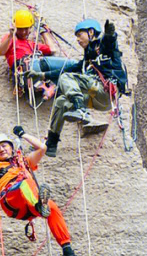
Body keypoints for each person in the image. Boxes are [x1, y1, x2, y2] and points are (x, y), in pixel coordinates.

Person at [0, 130, 85, 256]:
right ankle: (39, 206)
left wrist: (23, 134)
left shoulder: (24, 161)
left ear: (11, 147)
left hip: (29, 203)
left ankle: (67, 251)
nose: (1, 149)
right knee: (24, 182)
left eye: (4, 146)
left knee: (52, 208)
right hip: (12, 200)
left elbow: (42, 148)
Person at [43, 18, 127, 158]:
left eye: (79, 34)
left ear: (91, 32)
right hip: (98, 101)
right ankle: (52, 142)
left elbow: (110, 44)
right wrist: (44, 74)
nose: (77, 39)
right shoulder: (87, 60)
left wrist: (110, 34)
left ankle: (79, 109)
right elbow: (68, 69)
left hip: (104, 91)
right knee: (61, 102)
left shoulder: (102, 46)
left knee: (67, 78)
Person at [0, 7, 62, 100]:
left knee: (61, 66)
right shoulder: (11, 39)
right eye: (20, 29)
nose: (23, 32)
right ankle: (50, 85)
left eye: (26, 29)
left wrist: (43, 31)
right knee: (60, 63)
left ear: (31, 28)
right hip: (25, 68)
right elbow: (0, 52)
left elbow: (52, 49)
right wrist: (11, 35)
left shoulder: (32, 45)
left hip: (35, 69)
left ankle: (48, 86)